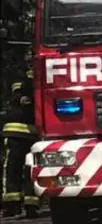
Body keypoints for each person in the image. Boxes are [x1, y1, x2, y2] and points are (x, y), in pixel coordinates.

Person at [2, 69, 39, 218]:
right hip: (28, 133)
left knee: (13, 169)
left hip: (19, 133)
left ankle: (15, 206)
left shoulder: (19, 76)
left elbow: (15, 95)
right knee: (27, 169)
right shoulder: (23, 78)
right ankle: (27, 206)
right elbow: (17, 94)